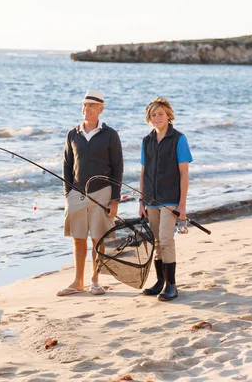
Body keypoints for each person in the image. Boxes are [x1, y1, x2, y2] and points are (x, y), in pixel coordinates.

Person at [57, 90, 123, 296]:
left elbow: (118, 168)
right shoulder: (72, 134)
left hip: (102, 193)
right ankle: (78, 282)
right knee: (78, 238)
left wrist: (115, 199)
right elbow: (67, 165)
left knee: (98, 238)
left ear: (101, 109)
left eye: (91, 106)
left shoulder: (110, 135)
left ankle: (95, 280)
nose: (86, 109)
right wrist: (68, 193)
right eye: (84, 106)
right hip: (76, 194)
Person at [139, 97, 192, 301]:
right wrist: (141, 201)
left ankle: (172, 285)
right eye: (153, 115)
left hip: (170, 199)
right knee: (156, 241)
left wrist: (182, 205)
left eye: (160, 114)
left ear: (168, 115)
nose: (157, 118)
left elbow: (184, 174)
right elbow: (143, 173)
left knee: (166, 239)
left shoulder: (179, 139)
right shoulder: (147, 141)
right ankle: (160, 281)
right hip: (150, 199)